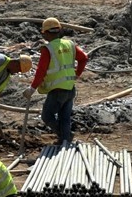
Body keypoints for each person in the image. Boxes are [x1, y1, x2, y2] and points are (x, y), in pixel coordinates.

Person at [23, 17, 89, 145]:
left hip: (57, 90)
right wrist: (77, 74)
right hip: (70, 88)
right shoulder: (70, 44)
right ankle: (65, 140)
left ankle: (65, 136)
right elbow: (84, 58)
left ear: (46, 33)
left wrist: (32, 88)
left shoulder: (48, 49)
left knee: (47, 116)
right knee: (65, 118)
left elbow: (41, 70)